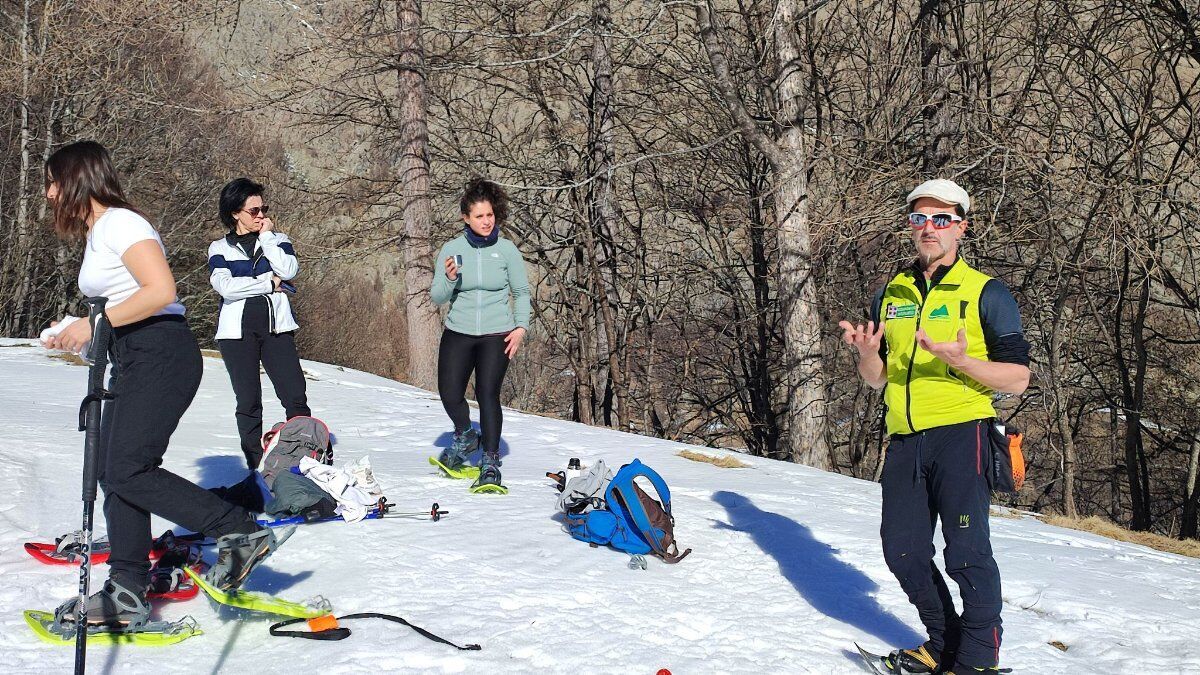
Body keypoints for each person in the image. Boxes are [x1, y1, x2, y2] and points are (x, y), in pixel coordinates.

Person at [42, 142, 284, 629]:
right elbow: (125, 303)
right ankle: (127, 590)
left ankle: (238, 529)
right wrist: (80, 330)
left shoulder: (121, 223)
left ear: (76, 181)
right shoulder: (101, 232)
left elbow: (161, 291)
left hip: (161, 354)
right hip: (134, 356)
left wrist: (95, 326)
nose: (48, 194)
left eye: (52, 182)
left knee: (129, 469)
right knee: (116, 472)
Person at [838, 179, 1030, 674]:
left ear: (961, 227)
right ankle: (943, 644)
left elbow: (1018, 378)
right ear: (910, 226)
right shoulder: (893, 292)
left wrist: (964, 362)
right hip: (904, 439)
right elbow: (879, 379)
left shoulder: (986, 292)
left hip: (962, 433)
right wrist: (865, 356)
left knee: (966, 554)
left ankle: (978, 661)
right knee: (902, 552)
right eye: (920, 218)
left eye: (941, 219)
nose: (929, 228)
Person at [207, 178, 309, 512]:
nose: (261, 214)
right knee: (248, 401)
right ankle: (256, 470)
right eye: (254, 210)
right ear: (235, 212)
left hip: (277, 328)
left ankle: (303, 465)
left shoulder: (277, 240)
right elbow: (226, 289)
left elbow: (289, 269)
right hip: (236, 334)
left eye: (264, 209)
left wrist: (266, 238)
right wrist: (269, 283)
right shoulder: (219, 248)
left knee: (294, 394)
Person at [431, 178, 530, 491]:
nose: (486, 221)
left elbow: (522, 292)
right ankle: (465, 434)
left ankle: (489, 458)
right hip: (458, 331)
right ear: (466, 218)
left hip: (496, 333)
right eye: (479, 216)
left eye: (490, 215)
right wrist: (448, 279)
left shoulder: (507, 251)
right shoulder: (452, 250)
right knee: (449, 393)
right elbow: (437, 296)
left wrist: (520, 328)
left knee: (487, 393)